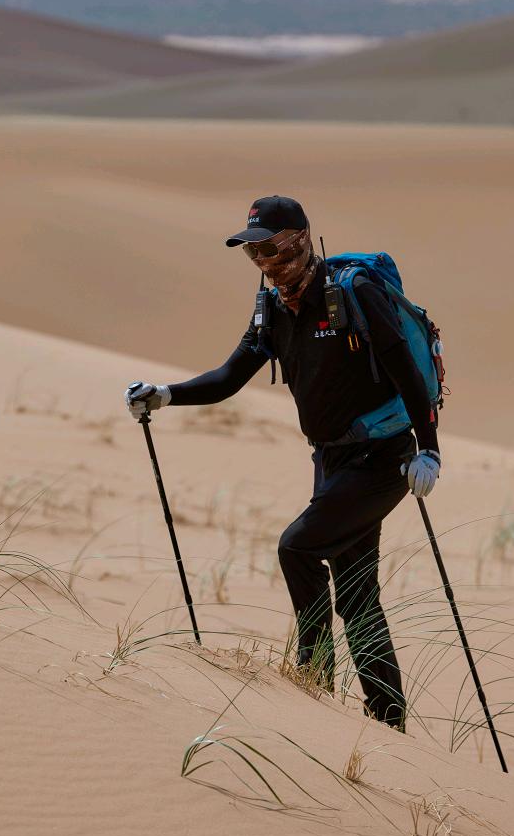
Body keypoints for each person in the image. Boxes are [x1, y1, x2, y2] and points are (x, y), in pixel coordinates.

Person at [124, 195, 440, 729]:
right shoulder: (272, 311)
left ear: (297, 240)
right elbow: (227, 379)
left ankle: (311, 685)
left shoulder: (352, 292)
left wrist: (430, 448)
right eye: (253, 254)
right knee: (359, 593)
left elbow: (406, 370)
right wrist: (165, 394)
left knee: (297, 548)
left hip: (384, 459)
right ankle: (388, 720)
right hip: (332, 463)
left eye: (270, 248)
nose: (263, 262)